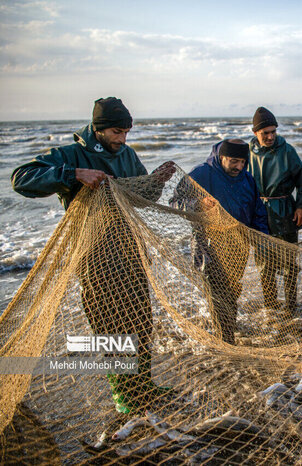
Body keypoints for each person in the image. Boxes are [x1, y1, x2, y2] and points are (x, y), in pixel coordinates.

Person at [11, 97, 175, 414]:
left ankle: (145, 386)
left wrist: (156, 180)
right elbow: (21, 177)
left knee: (141, 322)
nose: (123, 139)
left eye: (127, 132)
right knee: (110, 327)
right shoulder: (71, 154)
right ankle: (124, 395)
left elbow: (141, 198)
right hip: (96, 258)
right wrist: (72, 174)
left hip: (132, 253)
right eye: (117, 132)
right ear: (98, 129)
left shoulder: (127, 155)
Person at [172, 139, 269, 344]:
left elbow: (257, 211)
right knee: (217, 291)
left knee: (232, 289)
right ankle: (225, 338)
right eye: (234, 161)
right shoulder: (201, 174)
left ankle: (227, 327)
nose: (239, 167)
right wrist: (197, 204)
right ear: (221, 157)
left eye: (243, 162)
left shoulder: (247, 179)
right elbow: (175, 202)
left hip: (237, 245)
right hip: (208, 245)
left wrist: (262, 239)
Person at [248, 107, 302, 314]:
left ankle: (291, 306)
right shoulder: (248, 154)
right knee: (265, 265)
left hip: (285, 211)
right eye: (265, 133)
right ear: (255, 132)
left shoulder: (287, 150)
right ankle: (271, 307)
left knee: (290, 264)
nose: (270, 136)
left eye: (273, 131)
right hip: (259, 216)